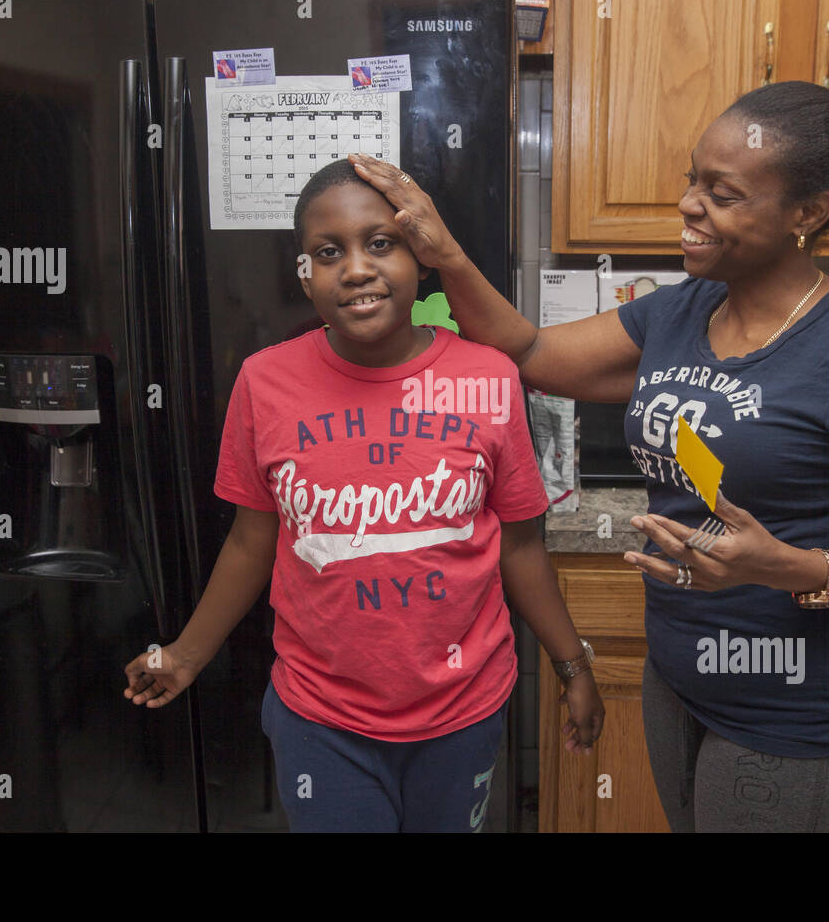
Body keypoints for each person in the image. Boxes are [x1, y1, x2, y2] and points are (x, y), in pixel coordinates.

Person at [347, 80, 829, 832]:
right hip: (679, 680)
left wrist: (788, 566)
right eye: (692, 179)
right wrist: (442, 253)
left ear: (808, 214)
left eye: (724, 192)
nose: (688, 204)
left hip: (794, 709)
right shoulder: (684, 307)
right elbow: (533, 352)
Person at [122, 157, 604, 833]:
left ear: (421, 255)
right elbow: (251, 540)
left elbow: (520, 545)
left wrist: (571, 663)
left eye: (381, 243)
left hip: (462, 710)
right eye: (328, 252)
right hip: (322, 718)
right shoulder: (265, 382)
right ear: (305, 273)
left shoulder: (488, 378)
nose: (355, 268)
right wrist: (186, 655)